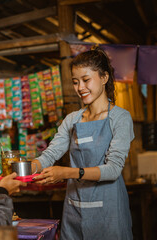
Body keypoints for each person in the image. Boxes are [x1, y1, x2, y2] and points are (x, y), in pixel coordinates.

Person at [32, 48, 134, 239]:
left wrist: (67, 173)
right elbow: (50, 154)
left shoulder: (120, 118)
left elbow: (112, 169)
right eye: (75, 82)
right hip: (74, 210)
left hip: (108, 213)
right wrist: (28, 168)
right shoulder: (72, 120)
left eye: (86, 80)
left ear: (104, 78)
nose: (80, 88)